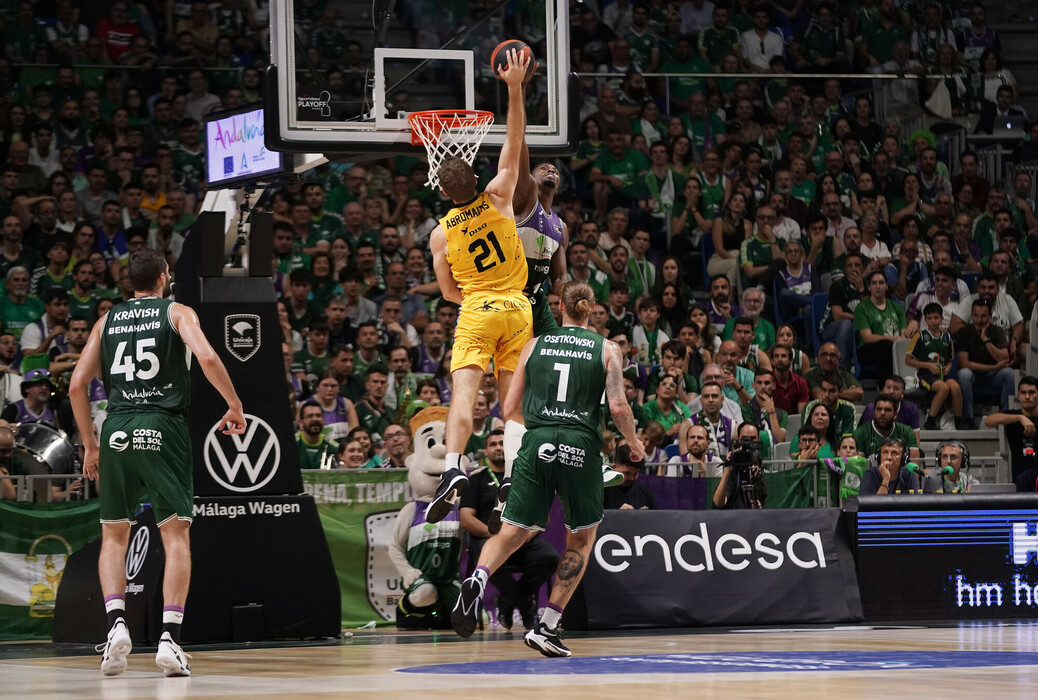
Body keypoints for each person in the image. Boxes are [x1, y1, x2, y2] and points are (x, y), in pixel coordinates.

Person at [69, 249, 245, 677]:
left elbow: (76, 385)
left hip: (116, 428)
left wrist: (90, 445)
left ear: (130, 281)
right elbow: (206, 358)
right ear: (164, 277)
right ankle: (169, 638)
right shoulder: (177, 312)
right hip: (163, 426)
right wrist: (234, 404)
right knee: (175, 534)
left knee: (114, 536)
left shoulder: (106, 321)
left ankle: (116, 625)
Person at [450, 281, 644, 657]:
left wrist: (543, 427)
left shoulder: (534, 345)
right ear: (591, 309)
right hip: (581, 446)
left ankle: (478, 578)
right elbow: (619, 407)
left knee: (512, 532)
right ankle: (548, 625)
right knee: (581, 541)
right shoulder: (607, 348)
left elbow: (509, 408)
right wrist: (633, 442)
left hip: (536, 442)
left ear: (561, 309)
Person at [425, 49, 533, 524]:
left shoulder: (440, 234)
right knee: (513, 403)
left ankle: (453, 468)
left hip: (477, 309)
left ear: (443, 190)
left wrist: (470, 296)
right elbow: (515, 137)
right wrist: (514, 87)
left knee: (465, 394)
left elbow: (447, 291)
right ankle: (511, 476)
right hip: (518, 309)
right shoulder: (501, 194)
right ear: (476, 177)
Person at [459, 429, 559, 630]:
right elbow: (466, 518)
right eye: (493, 444)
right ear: (485, 451)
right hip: (488, 537)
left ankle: (509, 599)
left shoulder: (525, 476)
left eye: (502, 443)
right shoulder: (476, 479)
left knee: (550, 557)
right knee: (486, 554)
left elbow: (543, 516)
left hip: (521, 537)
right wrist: (496, 536)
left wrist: (521, 536)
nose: (498, 447)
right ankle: (525, 604)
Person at [955, 299, 1013, 430]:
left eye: (983, 316)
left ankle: (1006, 417)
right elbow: (964, 363)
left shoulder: (997, 331)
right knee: (964, 374)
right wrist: (995, 367)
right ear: (971, 315)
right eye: (976, 316)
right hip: (974, 376)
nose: (979, 320)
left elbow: (1005, 358)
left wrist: (986, 341)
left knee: (1009, 374)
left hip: (993, 376)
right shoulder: (964, 332)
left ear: (990, 316)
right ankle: (967, 418)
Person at [906, 303, 963, 430]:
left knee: (955, 387)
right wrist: (928, 365)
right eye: (930, 318)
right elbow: (908, 361)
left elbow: (950, 360)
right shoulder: (920, 336)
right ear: (925, 320)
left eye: (936, 318)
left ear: (942, 318)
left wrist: (948, 367)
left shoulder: (947, 337)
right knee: (944, 387)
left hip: (941, 374)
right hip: (924, 375)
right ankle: (931, 420)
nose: (933, 321)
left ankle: (959, 420)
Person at [987, 375, 1038, 482]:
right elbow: (989, 420)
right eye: (1023, 393)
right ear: (1018, 396)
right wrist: (1020, 417)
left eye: (1031, 392)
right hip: (1022, 477)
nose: (1027, 396)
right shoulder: (1013, 417)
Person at [713, 422, 768, 508]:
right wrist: (726, 472)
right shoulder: (733, 472)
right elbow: (718, 503)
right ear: (738, 439)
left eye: (752, 438)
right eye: (744, 439)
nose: (748, 442)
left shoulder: (759, 476)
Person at [604, 442, 657, 510]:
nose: (632, 478)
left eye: (635, 473)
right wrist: (616, 513)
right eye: (627, 473)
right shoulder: (603, 492)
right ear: (615, 467)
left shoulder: (645, 493)